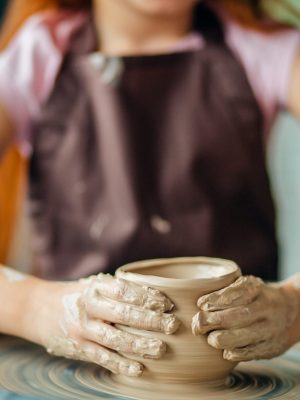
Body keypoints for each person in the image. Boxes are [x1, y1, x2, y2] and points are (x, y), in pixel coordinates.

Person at [0, 0, 300, 377]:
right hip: (80, 374)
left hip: (237, 372)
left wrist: (293, 307)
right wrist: (34, 308)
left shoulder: (263, 47)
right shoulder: (41, 53)